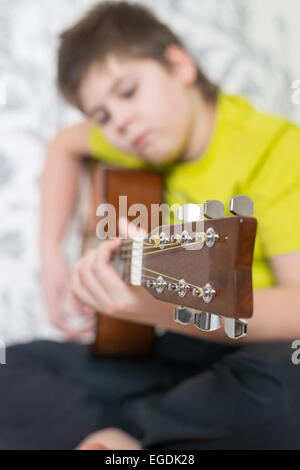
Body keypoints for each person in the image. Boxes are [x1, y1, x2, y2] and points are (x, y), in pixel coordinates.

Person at [1, 1, 300, 450]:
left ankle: (127, 429)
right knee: (14, 365)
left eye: (126, 92)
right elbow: (65, 143)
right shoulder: (136, 140)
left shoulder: (275, 149)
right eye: (100, 116)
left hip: (248, 351)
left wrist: (156, 304)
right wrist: (52, 260)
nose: (117, 122)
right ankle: (129, 436)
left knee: (284, 391)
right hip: (169, 356)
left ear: (178, 64)